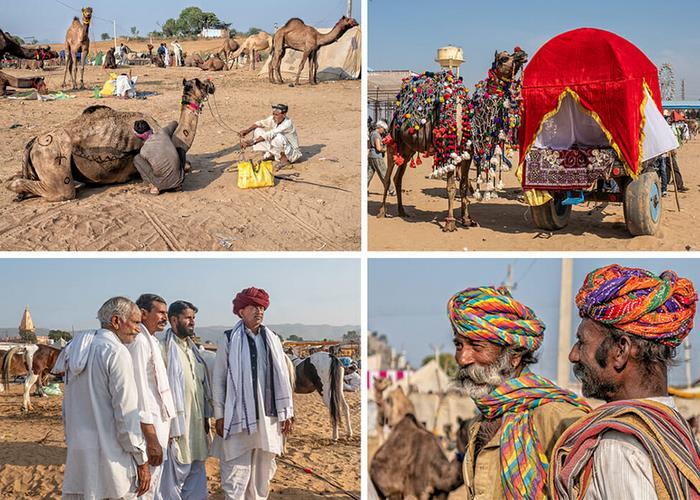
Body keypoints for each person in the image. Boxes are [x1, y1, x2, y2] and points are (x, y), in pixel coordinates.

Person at [549, 264, 700, 499]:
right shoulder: (677, 431)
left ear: (621, 350)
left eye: (582, 342)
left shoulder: (618, 447)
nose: (573, 355)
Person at [449, 286, 590, 499]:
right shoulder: (481, 422)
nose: (462, 359)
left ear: (514, 356)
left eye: (476, 346)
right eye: (459, 346)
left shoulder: (556, 417)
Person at [57, 296, 150, 499]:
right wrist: (141, 459)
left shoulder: (75, 350)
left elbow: (66, 409)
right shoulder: (116, 352)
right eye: (135, 322)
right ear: (116, 321)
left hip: (80, 453)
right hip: (112, 458)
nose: (138, 329)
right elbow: (126, 416)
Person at [212, 287, 294, 499]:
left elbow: (283, 378)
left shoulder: (273, 339)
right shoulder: (229, 338)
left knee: (262, 470)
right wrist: (219, 414)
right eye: (253, 307)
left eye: (261, 307)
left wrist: (287, 413)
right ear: (241, 311)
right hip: (237, 416)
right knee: (236, 471)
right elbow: (219, 378)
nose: (259, 311)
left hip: (269, 417)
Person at [159, 300, 212, 500]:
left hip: (197, 427)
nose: (192, 322)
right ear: (174, 320)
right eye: (188, 318)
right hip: (176, 428)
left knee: (196, 475)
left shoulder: (194, 351)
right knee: (172, 483)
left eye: (194, 318)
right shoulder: (163, 349)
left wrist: (207, 420)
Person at [127, 294, 176, 500]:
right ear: (144, 313)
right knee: (144, 486)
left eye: (166, 313)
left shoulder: (152, 341)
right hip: (149, 427)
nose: (165, 317)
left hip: (159, 424)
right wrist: (151, 436)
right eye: (161, 313)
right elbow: (138, 391)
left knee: (153, 485)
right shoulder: (139, 342)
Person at [239, 104, 302, 168]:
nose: (274, 116)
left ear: (284, 115)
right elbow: (260, 123)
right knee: (257, 130)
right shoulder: (274, 118)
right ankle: (272, 155)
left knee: (277, 137)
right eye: (273, 114)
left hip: (291, 154)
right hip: (279, 148)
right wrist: (247, 131)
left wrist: (253, 141)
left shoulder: (287, 123)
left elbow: (271, 134)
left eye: (276, 115)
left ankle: (284, 160)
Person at [132, 120, 185, 195]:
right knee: (180, 150)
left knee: (137, 159)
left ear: (138, 136)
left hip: (160, 184)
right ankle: (177, 185)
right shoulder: (163, 133)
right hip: (179, 179)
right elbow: (175, 123)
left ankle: (153, 186)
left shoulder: (143, 151)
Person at [368, 119, 395, 196]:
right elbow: (379, 148)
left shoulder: (372, 133)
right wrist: (386, 149)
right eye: (383, 129)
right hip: (377, 157)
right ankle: (391, 190)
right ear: (380, 127)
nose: (383, 131)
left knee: (369, 173)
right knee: (384, 174)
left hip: (371, 156)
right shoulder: (376, 135)